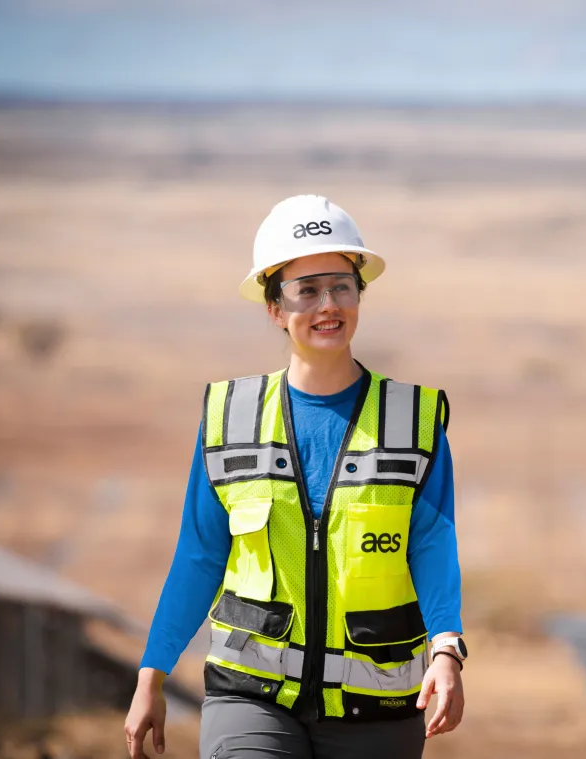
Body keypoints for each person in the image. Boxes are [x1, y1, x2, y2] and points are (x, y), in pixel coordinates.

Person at [124, 195, 466, 759]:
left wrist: (448, 651)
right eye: (306, 291)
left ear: (360, 295)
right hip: (248, 697)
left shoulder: (414, 422)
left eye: (341, 286)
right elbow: (200, 555)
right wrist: (151, 675)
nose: (327, 304)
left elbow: (431, 545)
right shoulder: (229, 418)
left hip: (377, 706)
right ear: (275, 309)